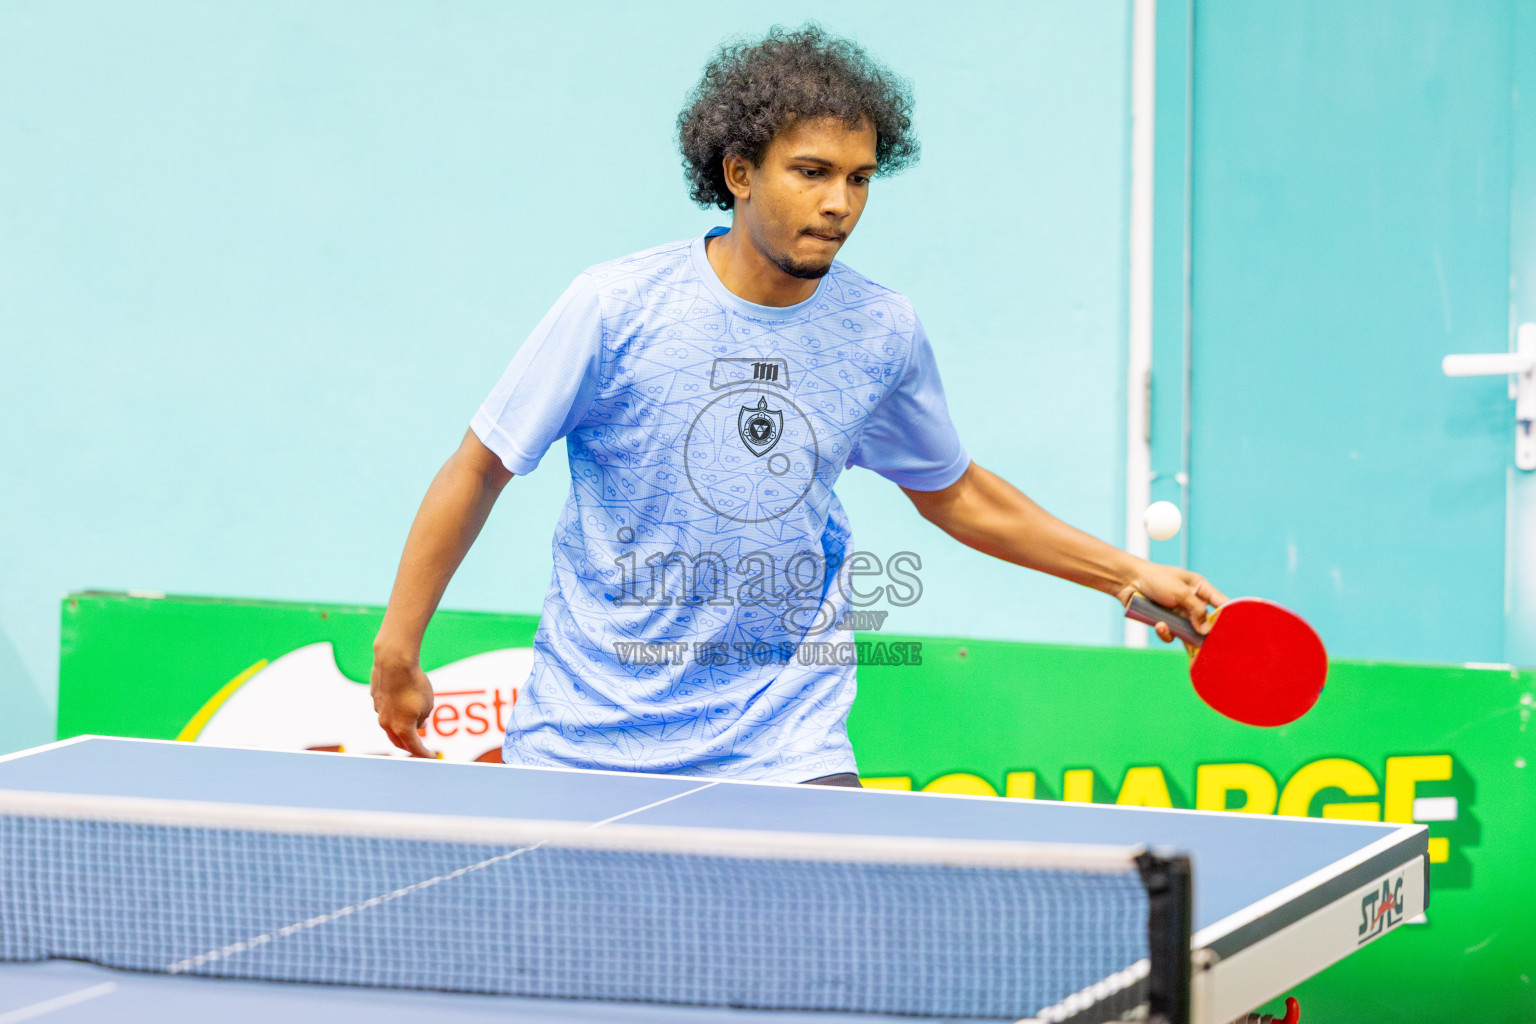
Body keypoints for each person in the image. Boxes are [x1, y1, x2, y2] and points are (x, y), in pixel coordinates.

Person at [370, 25, 1225, 785]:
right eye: (812, 173)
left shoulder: (880, 329)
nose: (839, 203)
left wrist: (1129, 573)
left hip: (785, 744)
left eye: (859, 178)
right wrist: (399, 645)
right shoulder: (615, 307)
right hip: (589, 739)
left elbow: (954, 492)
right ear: (738, 173)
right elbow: (480, 467)